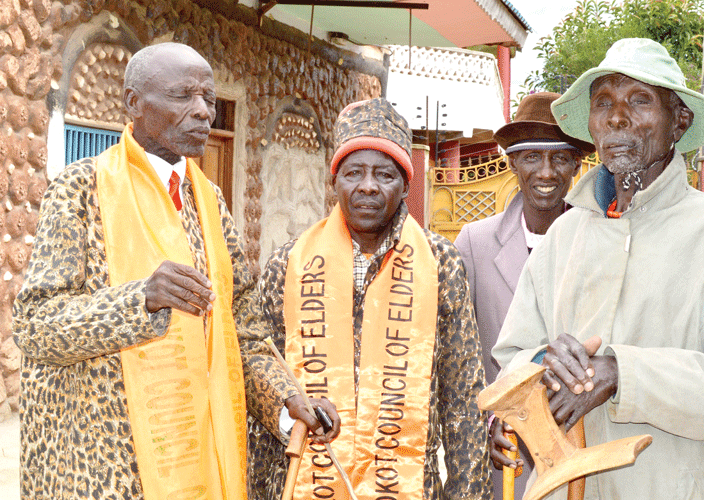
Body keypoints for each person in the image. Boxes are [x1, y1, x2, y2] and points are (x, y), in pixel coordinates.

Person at [13, 42, 337, 500]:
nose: (204, 112)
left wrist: (288, 402)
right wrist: (140, 298)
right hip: (106, 472)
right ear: (133, 103)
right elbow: (35, 326)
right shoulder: (81, 189)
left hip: (197, 461)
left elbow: (242, 331)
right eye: (184, 96)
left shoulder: (209, 201)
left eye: (208, 98)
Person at [492, 38, 704, 499]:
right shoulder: (564, 236)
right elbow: (514, 360)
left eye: (639, 100)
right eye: (604, 103)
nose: (617, 117)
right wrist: (535, 380)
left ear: (679, 122)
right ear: (592, 125)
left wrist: (622, 373)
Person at [248, 97, 491, 500]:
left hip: (409, 484)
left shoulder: (440, 264)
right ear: (334, 181)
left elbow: (463, 394)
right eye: (353, 172)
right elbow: (259, 367)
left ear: (406, 185)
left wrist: (468, 492)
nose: (367, 186)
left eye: (384, 174)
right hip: (304, 480)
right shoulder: (289, 263)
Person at [454, 91, 593, 500]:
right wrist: (485, 425)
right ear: (511, 162)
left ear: (577, 165)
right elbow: (460, 357)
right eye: (531, 157)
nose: (546, 172)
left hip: (579, 447)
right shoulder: (475, 243)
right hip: (507, 452)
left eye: (559, 158)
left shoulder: (599, 244)